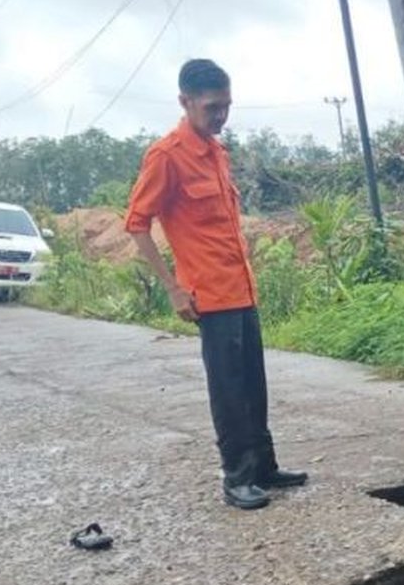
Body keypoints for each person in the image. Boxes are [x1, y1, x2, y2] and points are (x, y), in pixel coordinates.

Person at [124, 59, 306, 510]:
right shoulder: (167, 156)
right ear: (185, 102)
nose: (220, 116)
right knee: (228, 391)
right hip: (209, 295)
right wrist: (172, 287)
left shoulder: (217, 152)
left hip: (242, 290)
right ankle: (237, 477)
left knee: (253, 385)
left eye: (226, 106)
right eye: (211, 108)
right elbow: (136, 224)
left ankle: (264, 466)